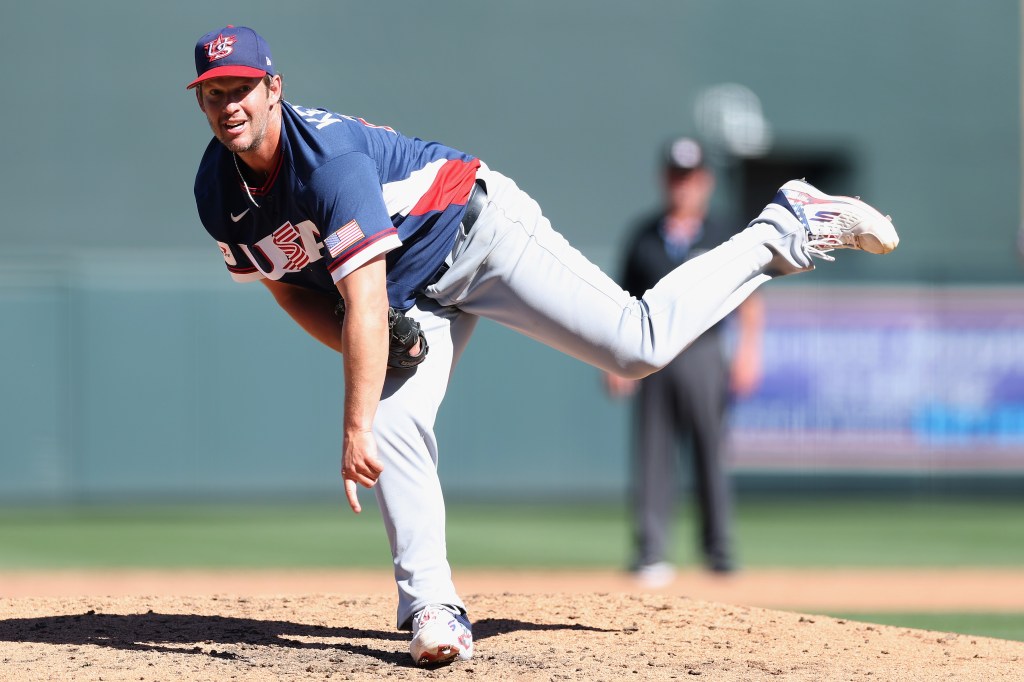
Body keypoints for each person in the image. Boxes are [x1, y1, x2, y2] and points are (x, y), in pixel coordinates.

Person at [187, 25, 899, 666]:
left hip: (477, 234)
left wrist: (352, 423)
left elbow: (363, 298)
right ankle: (432, 607)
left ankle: (785, 227)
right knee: (398, 427)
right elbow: (289, 289)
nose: (230, 104)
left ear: (274, 88)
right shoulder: (216, 189)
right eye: (214, 92)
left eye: (242, 88)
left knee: (636, 343)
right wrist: (363, 365)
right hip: (413, 292)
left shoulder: (328, 161)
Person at [605, 137, 763, 585]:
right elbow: (620, 302)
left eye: (691, 178)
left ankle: (719, 550)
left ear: (706, 182)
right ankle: (651, 550)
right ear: (665, 180)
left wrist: (750, 349)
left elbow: (750, 300)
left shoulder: (723, 234)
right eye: (677, 176)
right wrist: (613, 362)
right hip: (654, 353)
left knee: (711, 449)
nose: (684, 186)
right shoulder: (643, 236)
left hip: (705, 350)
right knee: (652, 451)